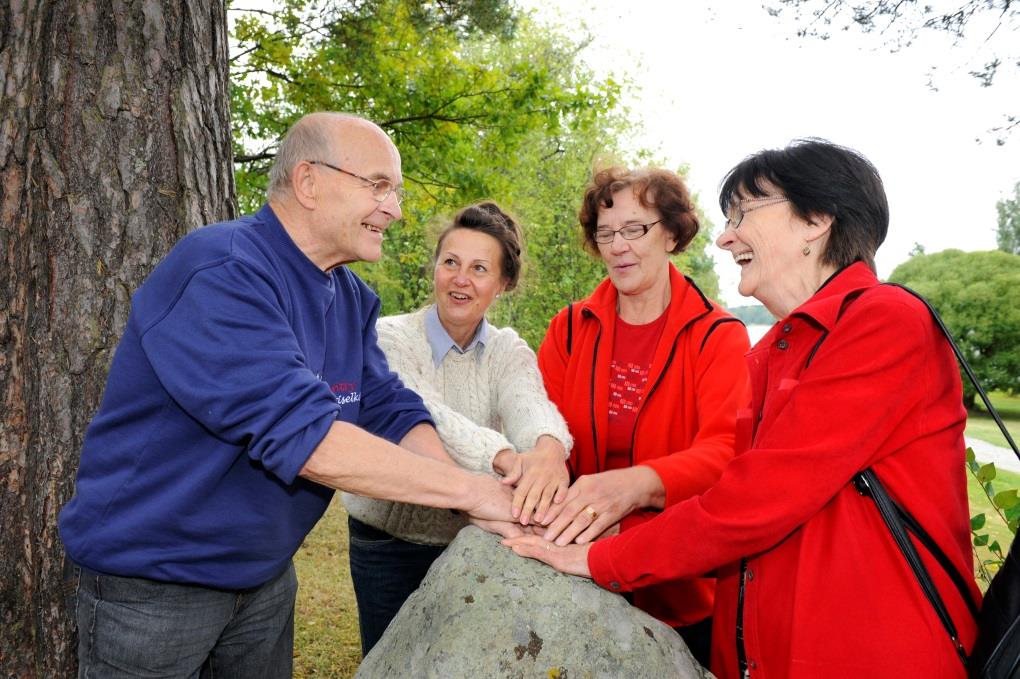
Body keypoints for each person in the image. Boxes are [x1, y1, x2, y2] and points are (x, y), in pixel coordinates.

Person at [58, 112, 513, 678]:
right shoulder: (221, 271)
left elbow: (389, 409)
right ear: (308, 182)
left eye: (395, 192)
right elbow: (311, 440)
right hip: (157, 586)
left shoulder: (349, 298)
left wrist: (464, 496)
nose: (394, 209)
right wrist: (475, 493)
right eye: (378, 186)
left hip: (264, 578)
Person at [506, 139, 981, 678]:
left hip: (870, 655)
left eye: (743, 213)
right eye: (606, 232)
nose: (727, 236)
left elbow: (755, 499)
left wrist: (603, 555)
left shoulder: (884, 321)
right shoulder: (775, 350)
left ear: (816, 220)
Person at [532, 166, 751, 665]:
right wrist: (541, 459)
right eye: (605, 233)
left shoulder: (718, 336)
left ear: (672, 233)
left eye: (635, 229)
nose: (617, 246)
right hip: (576, 568)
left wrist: (636, 484)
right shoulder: (568, 329)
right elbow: (544, 429)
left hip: (680, 592)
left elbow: (726, 455)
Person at [342, 201, 573, 654]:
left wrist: (548, 449)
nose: (460, 278)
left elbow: (530, 406)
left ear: (503, 283)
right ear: (436, 269)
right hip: (388, 546)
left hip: (472, 538)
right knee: (389, 658)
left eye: (479, 268)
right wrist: (503, 456)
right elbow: (420, 411)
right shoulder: (389, 337)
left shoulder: (508, 349)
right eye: (451, 262)